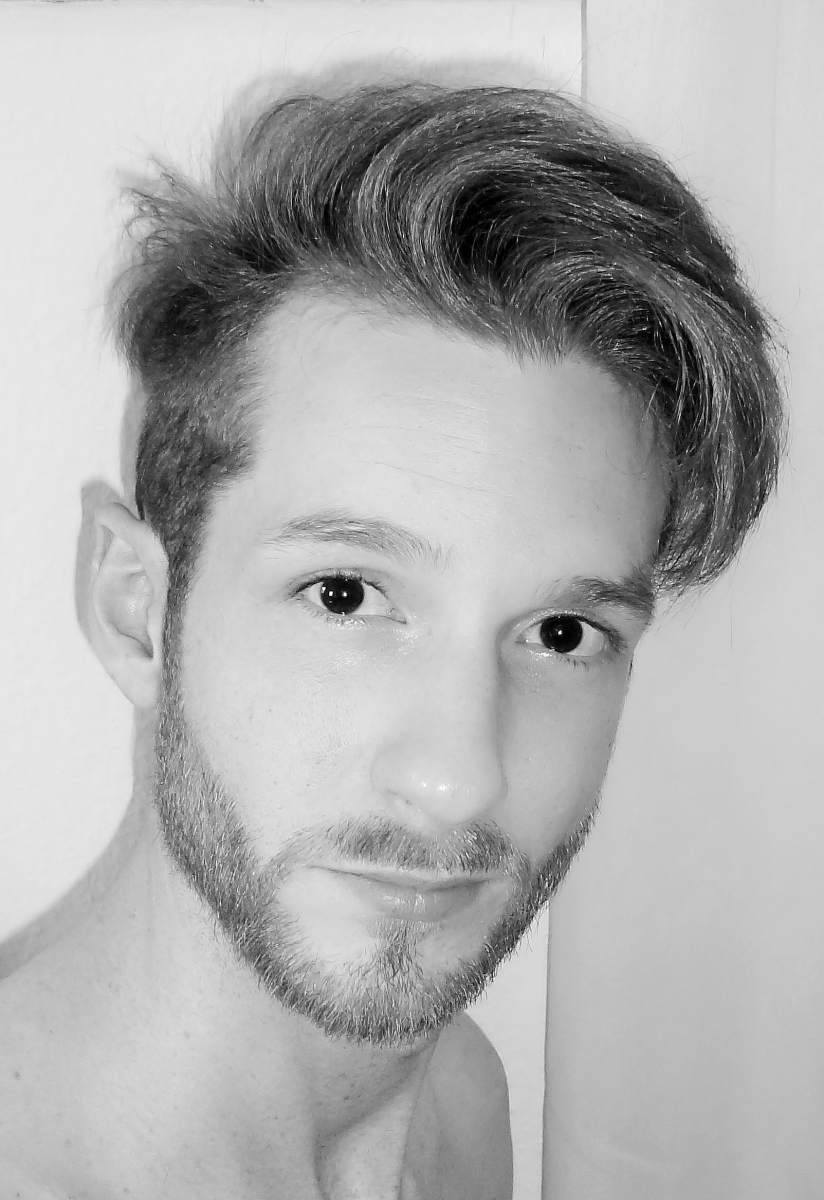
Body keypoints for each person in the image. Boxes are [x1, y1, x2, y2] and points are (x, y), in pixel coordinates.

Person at [0, 81, 783, 1200]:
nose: (459, 779)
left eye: (562, 632)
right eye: (345, 595)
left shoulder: (461, 1097)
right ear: (138, 611)